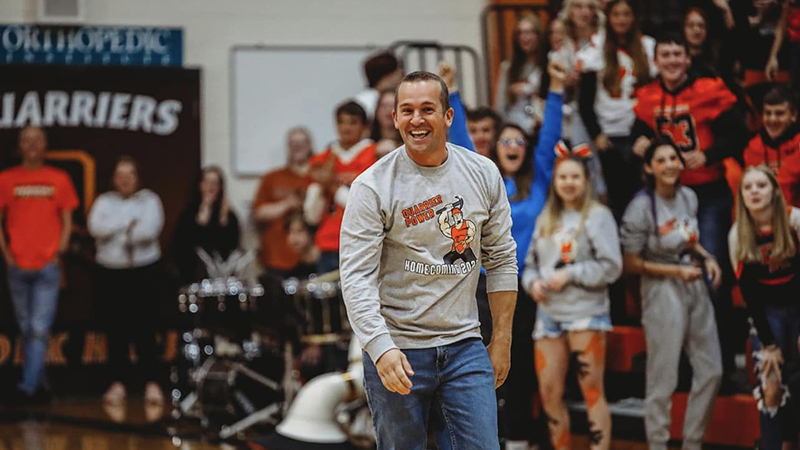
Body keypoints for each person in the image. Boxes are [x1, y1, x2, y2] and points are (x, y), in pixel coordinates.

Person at [340, 71, 519, 450]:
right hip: (397, 347)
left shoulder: (483, 174)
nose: (416, 120)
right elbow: (356, 277)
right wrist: (380, 346)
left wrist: (501, 339)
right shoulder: (371, 186)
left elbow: (502, 259)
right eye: (407, 110)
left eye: (427, 109)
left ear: (448, 116)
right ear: (395, 118)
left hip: (464, 345)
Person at [631, 32, 750, 379]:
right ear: (657, 60)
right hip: (667, 198)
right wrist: (638, 143)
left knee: (711, 275)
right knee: (673, 281)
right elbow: (636, 132)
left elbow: (740, 134)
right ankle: (685, 362)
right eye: (664, 54)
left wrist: (709, 154)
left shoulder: (710, 88)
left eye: (677, 54)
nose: (670, 60)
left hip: (709, 194)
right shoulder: (647, 95)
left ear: (687, 58)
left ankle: (722, 363)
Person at [620, 138, 723, 450]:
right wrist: (676, 272)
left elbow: (688, 240)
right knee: (663, 378)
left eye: (673, 158)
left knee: (712, 371)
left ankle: (692, 443)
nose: (668, 165)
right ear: (650, 167)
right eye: (661, 160)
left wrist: (708, 257)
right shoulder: (641, 206)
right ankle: (658, 443)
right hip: (660, 284)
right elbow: (630, 263)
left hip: (691, 278)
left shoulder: (689, 197)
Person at [522, 145, 621, 450]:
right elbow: (529, 265)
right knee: (549, 393)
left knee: (592, 390)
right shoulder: (546, 216)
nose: (568, 183)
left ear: (586, 179)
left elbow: (612, 267)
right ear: (554, 180)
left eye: (575, 177)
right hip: (549, 315)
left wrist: (571, 274)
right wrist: (532, 284)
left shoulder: (598, 216)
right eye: (562, 176)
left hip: (586, 313)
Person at [489, 63, 566, 450]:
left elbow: (551, 136)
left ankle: (520, 438)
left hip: (530, 286)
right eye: (505, 141)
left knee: (523, 368)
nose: (513, 146)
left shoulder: (537, 179)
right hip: (486, 289)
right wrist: (450, 93)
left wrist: (556, 89)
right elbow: (464, 145)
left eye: (519, 141)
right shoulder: (483, 179)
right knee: (489, 369)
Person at [0, 126, 78, 403]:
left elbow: (67, 219)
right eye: (26, 140)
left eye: (37, 139)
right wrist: (6, 254)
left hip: (48, 266)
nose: (32, 144)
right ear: (19, 146)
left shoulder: (59, 178)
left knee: (38, 329)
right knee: (28, 330)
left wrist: (59, 252)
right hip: (17, 266)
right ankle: (41, 383)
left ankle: (28, 388)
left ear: (45, 145)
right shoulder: (6, 179)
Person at [728, 165, 800, 450]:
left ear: (775, 191)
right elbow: (751, 296)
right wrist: (769, 344)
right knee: (771, 387)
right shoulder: (738, 234)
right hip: (767, 312)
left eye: (761, 185)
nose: (755, 191)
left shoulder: (795, 221)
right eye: (748, 187)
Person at [88, 156, 165, 405]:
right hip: (111, 274)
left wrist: (118, 231)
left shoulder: (149, 200)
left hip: (144, 271)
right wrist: (127, 224)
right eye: (120, 175)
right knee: (116, 329)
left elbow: (148, 232)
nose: (125, 179)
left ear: (137, 177)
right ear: (113, 179)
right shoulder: (103, 202)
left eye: (129, 174)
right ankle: (117, 383)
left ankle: (152, 383)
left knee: (146, 329)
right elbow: (95, 229)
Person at [578, 0, 656, 221]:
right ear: (608, 18)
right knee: (616, 199)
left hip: (639, 132)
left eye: (626, 14)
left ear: (634, 18)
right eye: (617, 14)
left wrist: (648, 132)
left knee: (644, 194)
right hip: (609, 135)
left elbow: (655, 94)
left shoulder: (648, 47)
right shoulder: (595, 49)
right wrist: (596, 134)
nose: (622, 19)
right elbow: (585, 101)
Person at [304, 101, 376, 274]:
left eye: (353, 122)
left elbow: (367, 203)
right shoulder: (323, 158)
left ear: (364, 126)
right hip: (329, 242)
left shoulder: (373, 155)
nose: (346, 128)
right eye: (341, 122)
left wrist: (334, 188)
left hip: (361, 242)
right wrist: (322, 187)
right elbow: (311, 215)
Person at [252, 127, 313, 278]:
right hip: (277, 257)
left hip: (311, 258)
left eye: (301, 142)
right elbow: (259, 212)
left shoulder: (319, 177)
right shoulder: (272, 178)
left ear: (310, 145)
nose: (297, 146)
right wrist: (287, 204)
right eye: (293, 143)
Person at [175, 166, 240, 284]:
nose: (211, 187)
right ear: (200, 185)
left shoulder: (228, 215)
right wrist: (201, 221)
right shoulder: (188, 213)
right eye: (207, 182)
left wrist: (223, 222)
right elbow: (182, 246)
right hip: (193, 276)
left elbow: (232, 248)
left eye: (215, 183)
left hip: (221, 278)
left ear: (220, 187)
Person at [743, 84, 800, 207]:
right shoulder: (753, 148)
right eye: (768, 113)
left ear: (793, 116)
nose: (772, 119)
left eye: (779, 113)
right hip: (767, 218)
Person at [494, 13, 547, 134]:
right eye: (521, 33)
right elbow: (500, 105)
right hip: (516, 129)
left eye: (530, 32)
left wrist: (528, 88)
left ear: (538, 35)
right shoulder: (508, 67)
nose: (525, 37)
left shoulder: (547, 65)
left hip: (542, 127)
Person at [354, 51, 403, 121]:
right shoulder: (365, 103)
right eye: (397, 71)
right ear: (386, 77)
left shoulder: (360, 100)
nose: (400, 75)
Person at [370, 89, 402, 159]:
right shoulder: (366, 143)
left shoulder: (408, 144)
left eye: (393, 106)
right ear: (377, 111)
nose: (388, 111)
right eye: (384, 106)